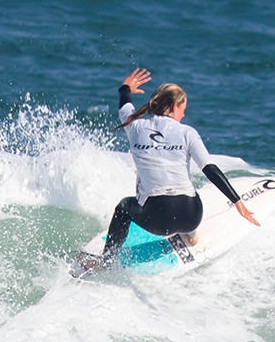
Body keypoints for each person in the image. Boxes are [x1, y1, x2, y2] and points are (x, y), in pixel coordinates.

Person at [86, 68, 258, 270]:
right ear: (174, 106)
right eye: (183, 108)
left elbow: (124, 103)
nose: (184, 114)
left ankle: (106, 261)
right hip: (191, 216)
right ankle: (192, 236)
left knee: (124, 207)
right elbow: (209, 168)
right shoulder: (187, 132)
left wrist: (126, 88)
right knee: (189, 187)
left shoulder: (134, 126)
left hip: (158, 221)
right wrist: (238, 203)